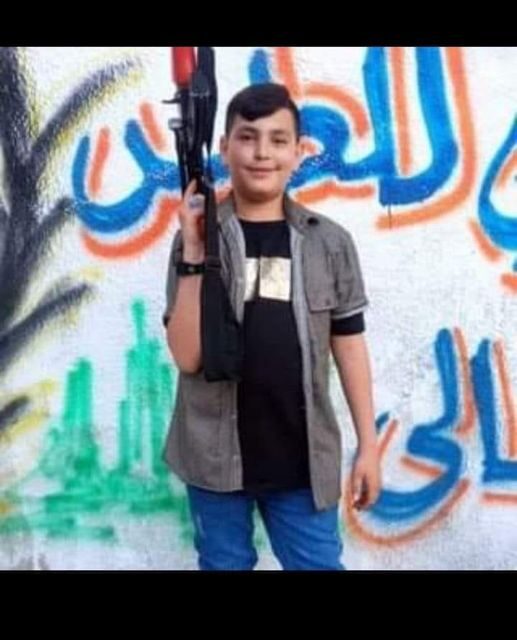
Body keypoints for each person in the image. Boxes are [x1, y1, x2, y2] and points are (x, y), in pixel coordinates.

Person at [163, 82, 381, 570]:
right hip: (213, 457)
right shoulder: (196, 239)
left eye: (278, 140)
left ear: (298, 152)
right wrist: (195, 251)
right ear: (224, 148)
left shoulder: (330, 243)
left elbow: (350, 346)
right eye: (248, 137)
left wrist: (368, 446)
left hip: (302, 460)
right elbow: (187, 356)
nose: (262, 153)